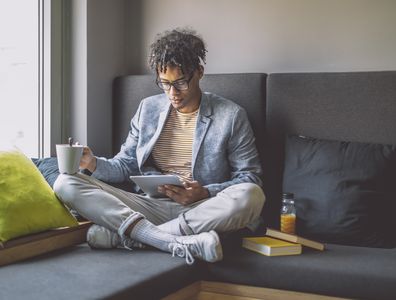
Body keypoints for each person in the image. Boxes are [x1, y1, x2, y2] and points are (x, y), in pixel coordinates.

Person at [54, 28, 265, 265]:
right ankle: (175, 241)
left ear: (199, 73)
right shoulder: (148, 109)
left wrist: (205, 191)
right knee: (65, 182)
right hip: (150, 205)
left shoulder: (231, 115)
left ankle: (134, 237)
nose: (173, 93)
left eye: (181, 83)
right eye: (164, 84)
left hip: (203, 209)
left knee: (251, 195)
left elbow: (250, 178)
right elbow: (125, 165)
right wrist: (93, 163)